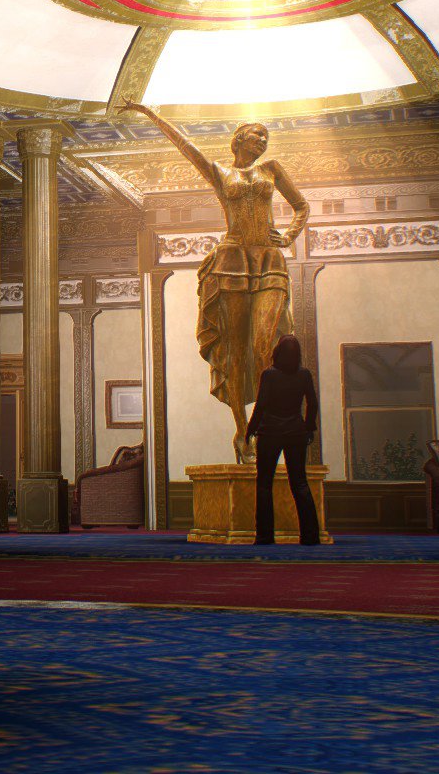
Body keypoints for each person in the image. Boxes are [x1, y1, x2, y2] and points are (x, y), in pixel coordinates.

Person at [120, 104, 309, 463]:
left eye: (266, 137)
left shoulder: (271, 169)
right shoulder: (221, 173)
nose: (263, 140)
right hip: (232, 261)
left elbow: (302, 206)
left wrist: (289, 236)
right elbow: (187, 148)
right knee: (234, 350)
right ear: (239, 139)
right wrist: (152, 115)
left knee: (264, 346)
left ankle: (263, 424)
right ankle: (242, 431)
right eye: (257, 135)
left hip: (269, 260)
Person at [247, 335, 320, 546]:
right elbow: (312, 403)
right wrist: (309, 427)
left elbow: (261, 404)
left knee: (264, 484)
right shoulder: (304, 374)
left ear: (277, 351)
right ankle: (310, 536)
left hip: (270, 432)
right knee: (299, 483)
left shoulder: (269, 374)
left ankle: (264, 536)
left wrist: (251, 428)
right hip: (296, 431)